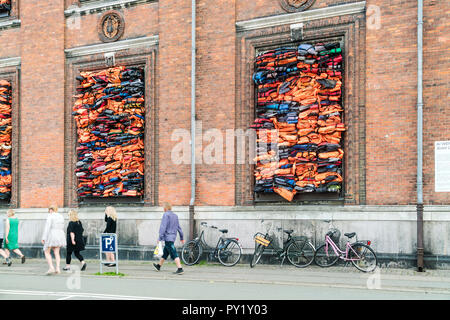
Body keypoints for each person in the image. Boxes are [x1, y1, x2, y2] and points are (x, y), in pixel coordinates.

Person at [153, 202, 185, 275]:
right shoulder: (175, 216)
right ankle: (158, 266)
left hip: (167, 237)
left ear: (165, 208)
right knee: (166, 252)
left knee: (173, 252)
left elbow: (163, 227)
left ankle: (180, 268)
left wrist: (160, 238)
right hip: (173, 236)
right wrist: (181, 237)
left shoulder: (165, 215)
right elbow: (179, 228)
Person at [41, 204, 66, 275]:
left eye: (49, 210)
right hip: (60, 234)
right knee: (57, 252)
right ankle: (58, 268)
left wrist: (44, 237)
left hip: (52, 234)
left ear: (51, 210)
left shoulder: (50, 216)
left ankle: (51, 267)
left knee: (46, 251)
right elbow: (62, 226)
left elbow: (47, 227)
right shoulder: (61, 216)